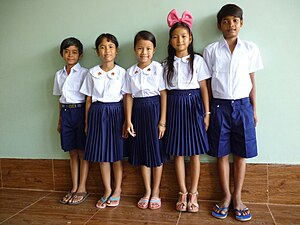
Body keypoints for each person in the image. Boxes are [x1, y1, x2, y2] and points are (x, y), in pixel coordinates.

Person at [203, 4, 264, 222]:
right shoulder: (211, 50)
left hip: (243, 107)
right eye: (226, 21)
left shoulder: (250, 49)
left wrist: (254, 109)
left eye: (235, 21)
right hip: (219, 107)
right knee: (220, 153)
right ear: (220, 24)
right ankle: (226, 196)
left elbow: (252, 81)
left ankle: (238, 197)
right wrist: (208, 111)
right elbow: (208, 84)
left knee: (241, 153)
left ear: (241, 23)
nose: (231, 25)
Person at [164, 9, 211, 213]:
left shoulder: (198, 61)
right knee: (178, 152)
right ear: (170, 40)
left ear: (190, 38)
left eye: (183, 36)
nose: (179, 40)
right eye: (175, 37)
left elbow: (204, 89)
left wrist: (207, 113)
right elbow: (164, 92)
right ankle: (182, 192)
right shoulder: (165, 65)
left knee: (195, 153)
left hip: (194, 106)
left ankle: (194, 193)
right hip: (174, 106)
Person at [80, 33, 126, 209]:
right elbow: (89, 100)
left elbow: (127, 97)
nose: (107, 51)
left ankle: (117, 190)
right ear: (97, 51)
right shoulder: (92, 73)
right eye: (103, 47)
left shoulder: (122, 72)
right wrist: (87, 122)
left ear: (116, 51)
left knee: (116, 155)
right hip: (97, 114)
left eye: (111, 47)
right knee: (102, 155)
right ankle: (106, 190)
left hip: (116, 113)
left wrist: (126, 120)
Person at [123, 30, 167, 210]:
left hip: (155, 110)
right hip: (137, 113)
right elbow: (128, 97)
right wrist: (128, 120)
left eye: (148, 48)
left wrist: (162, 121)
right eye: (140, 48)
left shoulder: (159, 68)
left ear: (154, 49)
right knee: (142, 152)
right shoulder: (130, 71)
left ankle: (156, 192)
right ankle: (147, 191)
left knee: (156, 151)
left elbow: (164, 94)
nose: (144, 52)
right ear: (134, 50)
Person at [53, 37, 89, 205]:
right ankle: (74, 187)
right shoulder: (59, 75)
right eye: (66, 52)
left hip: (80, 112)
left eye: (74, 52)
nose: (70, 55)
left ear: (80, 55)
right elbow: (60, 99)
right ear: (61, 54)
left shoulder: (85, 73)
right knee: (72, 152)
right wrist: (60, 119)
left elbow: (88, 98)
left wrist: (88, 121)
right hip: (66, 113)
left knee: (82, 152)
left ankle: (82, 188)